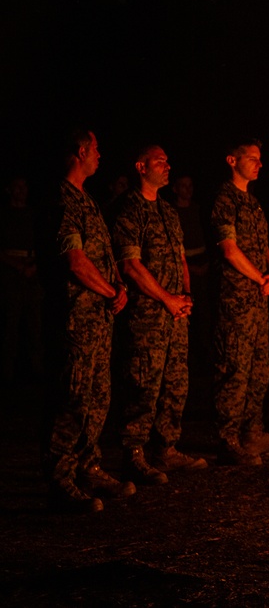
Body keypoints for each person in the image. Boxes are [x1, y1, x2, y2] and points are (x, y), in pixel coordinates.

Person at [45, 130, 134, 513]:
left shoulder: (89, 201)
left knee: (98, 397)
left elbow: (103, 257)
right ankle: (60, 478)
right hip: (77, 318)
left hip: (98, 319)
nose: (100, 155)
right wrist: (111, 293)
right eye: (96, 149)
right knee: (75, 398)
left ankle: (89, 467)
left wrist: (118, 288)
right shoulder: (63, 199)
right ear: (81, 151)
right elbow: (76, 261)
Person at [113, 145, 207, 486]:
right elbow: (131, 265)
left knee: (175, 383)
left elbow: (180, 257)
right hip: (147, 316)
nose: (167, 166)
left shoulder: (168, 211)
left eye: (168, 160)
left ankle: (165, 448)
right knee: (143, 384)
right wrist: (166, 298)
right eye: (159, 161)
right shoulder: (129, 209)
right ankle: (133, 455)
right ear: (141, 167)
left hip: (175, 313)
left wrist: (186, 297)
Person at [210, 137, 269, 465]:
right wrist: (259, 278)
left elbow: (263, 244)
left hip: (258, 298)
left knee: (259, 368)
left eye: (260, 158)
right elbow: (229, 249)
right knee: (235, 370)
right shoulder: (225, 199)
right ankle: (227, 438)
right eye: (252, 158)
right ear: (232, 161)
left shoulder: (253, 202)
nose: (259, 164)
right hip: (237, 299)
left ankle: (252, 432)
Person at [0, 174, 44, 391]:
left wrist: (34, 266)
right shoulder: (4, 215)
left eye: (23, 186)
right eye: (16, 186)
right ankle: (8, 374)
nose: (21, 190)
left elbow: (45, 243)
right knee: (10, 323)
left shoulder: (34, 214)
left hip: (33, 271)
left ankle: (36, 372)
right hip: (10, 274)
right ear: (9, 190)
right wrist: (18, 267)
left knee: (36, 324)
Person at [171, 173, 211, 369]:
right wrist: (190, 267)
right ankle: (189, 354)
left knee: (204, 312)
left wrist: (207, 262)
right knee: (188, 310)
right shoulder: (172, 212)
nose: (188, 190)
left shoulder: (198, 209)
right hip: (185, 265)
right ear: (175, 189)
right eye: (183, 186)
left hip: (203, 262)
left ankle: (203, 353)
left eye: (190, 185)